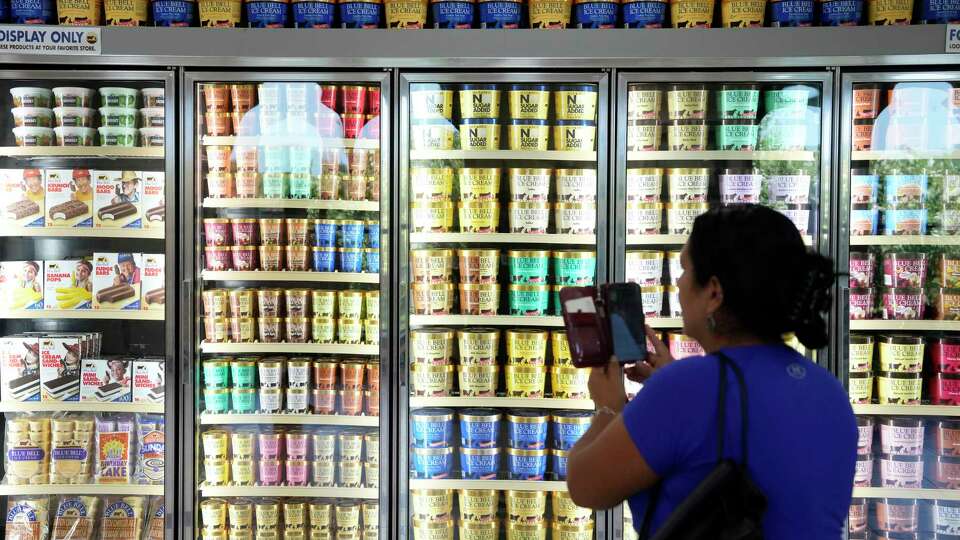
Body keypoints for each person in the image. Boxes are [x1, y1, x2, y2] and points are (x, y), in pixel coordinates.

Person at [566, 204, 857, 539]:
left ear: (714, 292)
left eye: (685, 270)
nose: (678, 281)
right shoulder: (828, 390)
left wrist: (608, 407)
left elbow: (586, 487)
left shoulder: (687, 389)